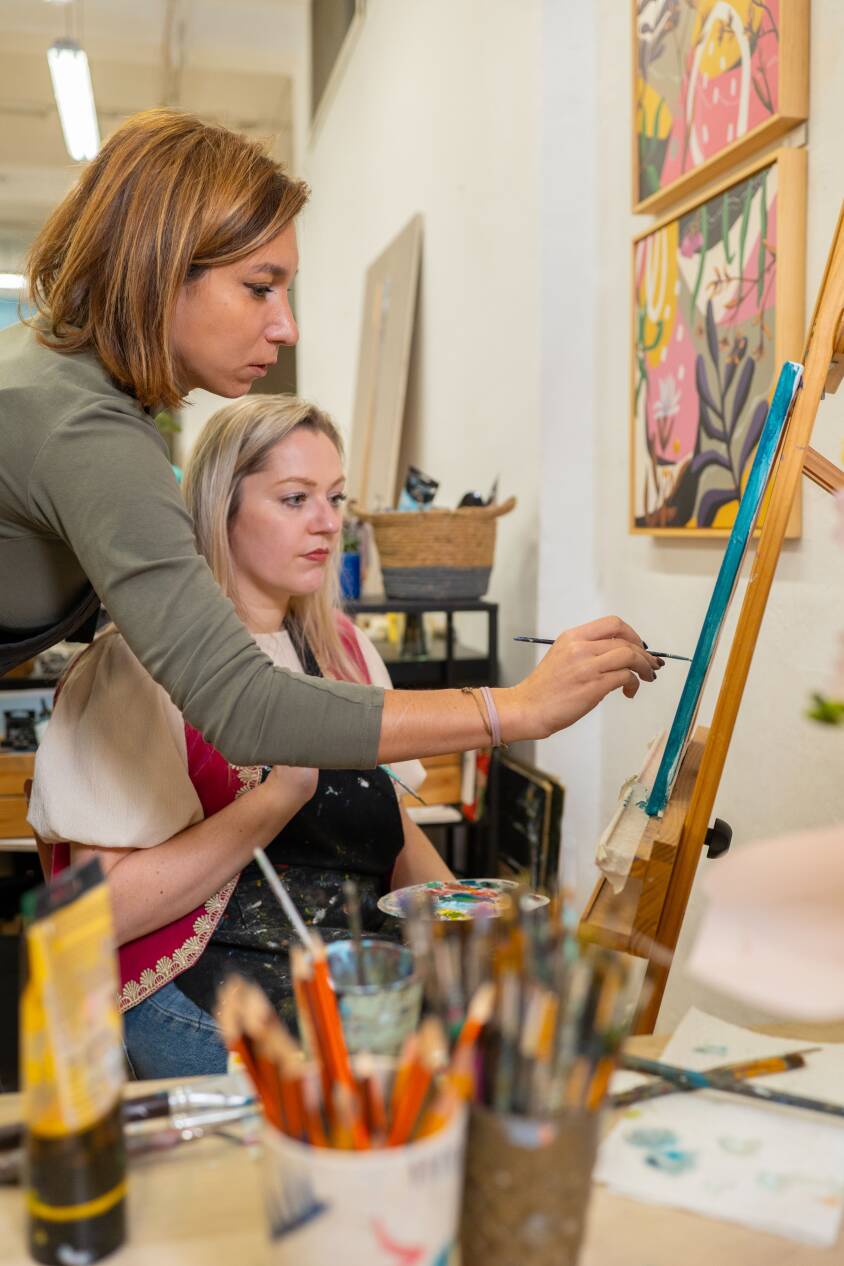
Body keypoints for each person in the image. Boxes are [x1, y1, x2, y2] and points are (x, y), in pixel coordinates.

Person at [0, 109, 660, 773]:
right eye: (259, 288)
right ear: (158, 269)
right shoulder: (84, 427)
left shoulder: (56, 375)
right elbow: (245, 708)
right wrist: (516, 708)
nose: (287, 328)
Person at [29, 395, 459, 1078]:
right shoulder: (136, 668)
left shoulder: (343, 649)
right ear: (219, 509)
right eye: (295, 499)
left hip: (339, 971)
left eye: (335, 498)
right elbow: (91, 915)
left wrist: (474, 926)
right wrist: (276, 798)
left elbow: (392, 827)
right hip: (199, 987)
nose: (327, 523)